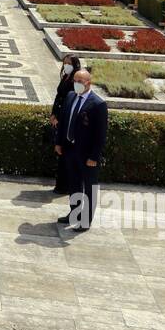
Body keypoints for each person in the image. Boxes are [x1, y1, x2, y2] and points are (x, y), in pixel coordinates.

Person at [54, 69, 108, 232]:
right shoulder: (71, 96)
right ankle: (74, 214)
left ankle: (85, 221)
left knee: (89, 189)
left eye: (80, 81)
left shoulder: (98, 104)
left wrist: (94, 156)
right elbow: (63, 121)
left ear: (88, 83)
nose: (76, 84)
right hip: (70, 150)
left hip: (87, 155)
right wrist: (58, 142)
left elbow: (101, 134)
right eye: (75, 80)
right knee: (74, 184)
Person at [49, 55, 84, 195]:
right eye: (65, 63)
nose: (66, 65)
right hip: (58, 117)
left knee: (65, 154)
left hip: (66, 120)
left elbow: (71, 103)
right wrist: (53, 114)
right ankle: (61, 184)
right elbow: (59, 97)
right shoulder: (65, 76)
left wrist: (60, 118)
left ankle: (65, 185)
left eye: (69, 63)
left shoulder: (75, 81)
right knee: (60, 153)